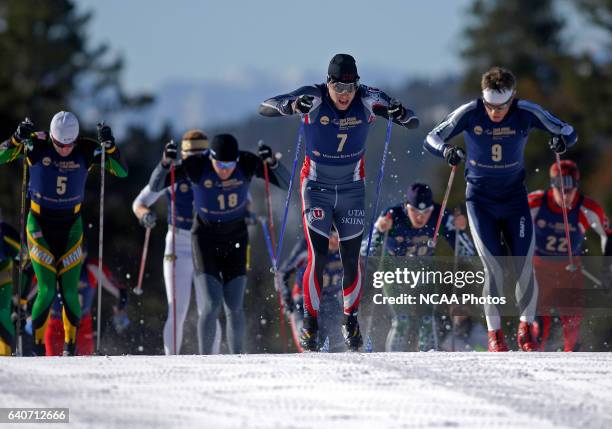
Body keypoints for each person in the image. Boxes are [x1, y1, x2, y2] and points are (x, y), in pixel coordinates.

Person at [259, 53, 419, 351]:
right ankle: (309, 323)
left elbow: (412, 121)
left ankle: (351, 320)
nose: (345, 96)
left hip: (351, 189)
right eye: (339, 89)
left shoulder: (369, 97)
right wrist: (290, 106)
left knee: (350, 260)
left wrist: (397, 112)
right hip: (316, 187)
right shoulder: (313, 95)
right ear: (328, 82)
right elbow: (264, 107)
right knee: (318, 257)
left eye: (350, 89)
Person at [424, 66, 577, 352]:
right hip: (480, 201)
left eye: (502, 106)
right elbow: (432, 137)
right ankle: (495, 337)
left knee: (523, 267)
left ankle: (525, 329)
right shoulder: (470, 112)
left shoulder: (525, 112)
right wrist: (447, 151)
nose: (495, 112)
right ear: (483, 99)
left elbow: (568, 130)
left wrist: (561, 139)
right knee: (493, 270)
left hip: (514, 200)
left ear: (513, 97)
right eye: (490, 105)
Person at [0, 112, 127, 355]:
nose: (64, 149)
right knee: (47, 288)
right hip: (39, 225)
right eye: (59, 144)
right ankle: (37, 350)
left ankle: (71, 349)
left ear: (76, 139)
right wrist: (16, 139)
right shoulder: (36, 144)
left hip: (71, 226)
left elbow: (121, 172)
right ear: (52, 138)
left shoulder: (87, 150)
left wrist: (110, 148)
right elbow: (2, 155)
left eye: (69, 144)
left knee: (69, 291)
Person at [149, 134, 289, 354]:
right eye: (220, 165)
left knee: (234, 306)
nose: (225, 170)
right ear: (210, 159)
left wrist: (272, 162)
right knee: (211, 304)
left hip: (237, 238)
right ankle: (206, 360)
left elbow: (287, 183)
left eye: (230, 164)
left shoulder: (246, 163)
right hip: (204, 239)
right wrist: (165, 164)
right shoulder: (196, 166)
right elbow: (156, 186)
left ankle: (237, 359)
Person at [132, 129, 221, 355]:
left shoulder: (217, 170)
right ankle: (172, 361)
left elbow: (243, 199)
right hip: (178, 242)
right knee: (177, 309)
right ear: (183, 155)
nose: (196, 163)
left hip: (207, 242)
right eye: (191, 157)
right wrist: (144, 215)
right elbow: (140, 202)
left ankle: (214, 360)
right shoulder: (173, 174)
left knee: (208, 308)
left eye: (201, 156)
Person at [364, 182, 475, 351]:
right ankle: (394, 361)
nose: (420, 217)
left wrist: (461, 230)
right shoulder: (393, 215)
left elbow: (468, 253)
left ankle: (427, 357)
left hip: (423, 268)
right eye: (414, 211)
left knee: (427, 319)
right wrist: (378, 230)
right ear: (406, 206)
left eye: (426, 212)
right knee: (403, 319)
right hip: (393, 270)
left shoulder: (440, 215)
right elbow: (367, 249)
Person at [528, 160, 611, 351]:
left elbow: (607, 235)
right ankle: (532, 357)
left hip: (569, 270)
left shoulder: (587, 208)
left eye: (570, 189)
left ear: (576, 186)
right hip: (540, 269)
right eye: (560, 189)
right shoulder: (536, 202)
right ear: (552, 186)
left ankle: (570, 359)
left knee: (572, 322)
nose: (565, 195)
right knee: (541, 324)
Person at [43, 247, 129, 356]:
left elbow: (120, 291)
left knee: (85, 359)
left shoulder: (92, 268)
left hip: (82, 322)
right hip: (56, 322)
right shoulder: (54, 268)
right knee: (51, 360)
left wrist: (121, 306)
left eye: (80, 254)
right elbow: (39, 289)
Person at [275, 229, 345, 352]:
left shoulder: (347, 247)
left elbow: (358, 273)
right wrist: (286, 298)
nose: (337, 242)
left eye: (340, 238)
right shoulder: (308, 245)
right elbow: (282, 273)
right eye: (334, 237)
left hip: (330, 301)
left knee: (336, 345)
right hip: (303, 301)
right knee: (308, 344)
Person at [0, 215, 20, 356]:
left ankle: (7, 351)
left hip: (2, 272)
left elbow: (24, 259)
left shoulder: (4, 232)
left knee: (2, 312)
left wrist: (22, 299)